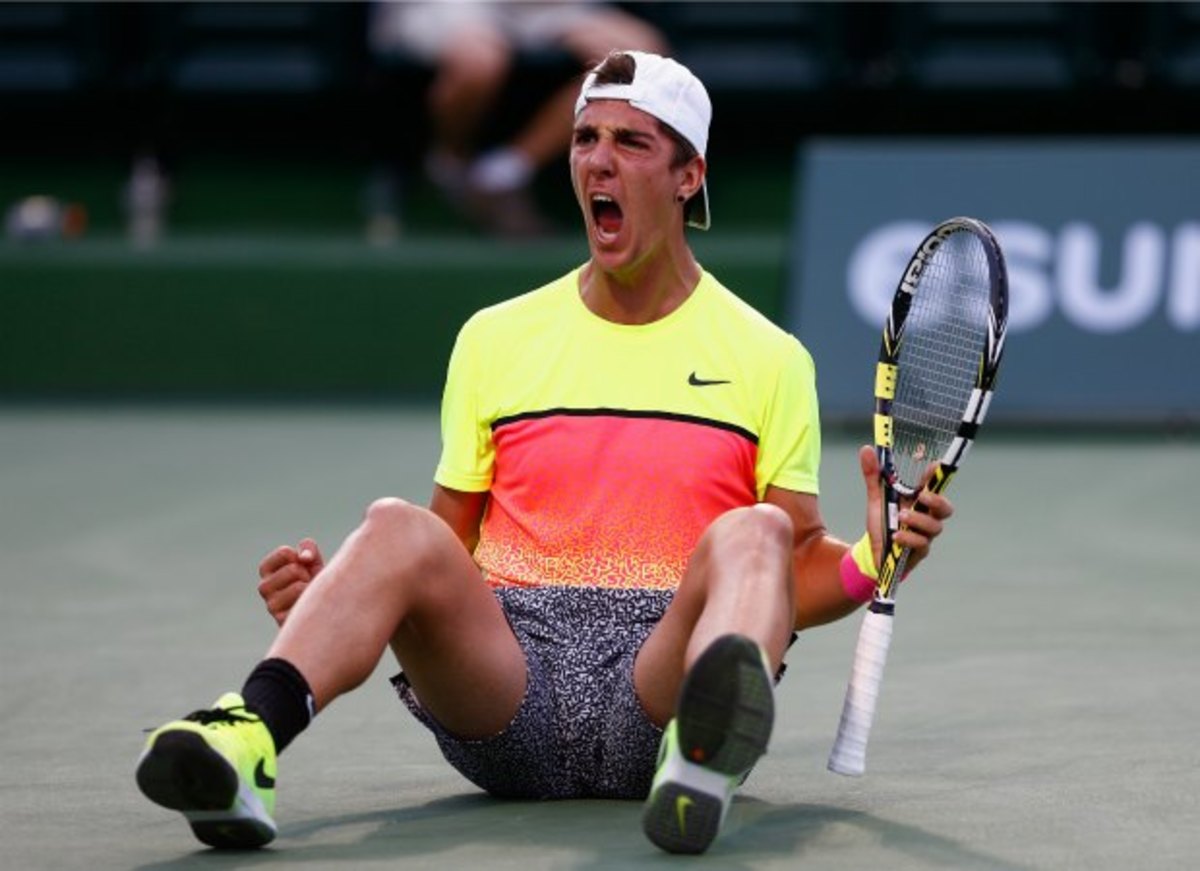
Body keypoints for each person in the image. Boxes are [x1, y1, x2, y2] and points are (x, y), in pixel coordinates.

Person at [135, 50, 953, 856]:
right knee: (395, 525)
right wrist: (343, 602)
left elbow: (787, 572)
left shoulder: (770, 358)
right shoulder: (494, 338)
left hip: (664, 679)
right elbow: (445, 549)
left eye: (631, 142)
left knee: (760, 531)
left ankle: (702, 755)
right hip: (505, 687)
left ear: (688, 175)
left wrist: (871, 558)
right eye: (585, 138)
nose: (599, 159)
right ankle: (246, 738)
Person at [365, 0, 667, 239]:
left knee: (638, 64)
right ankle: (450, 170)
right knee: (478, 63)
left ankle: (500, 175)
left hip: (543, 7)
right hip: (451, 7)